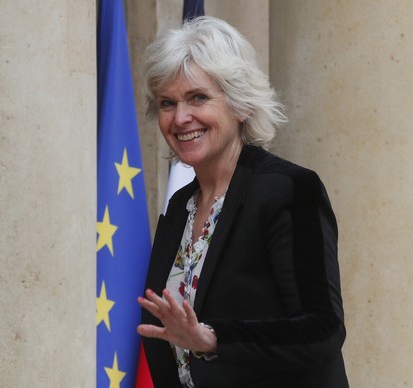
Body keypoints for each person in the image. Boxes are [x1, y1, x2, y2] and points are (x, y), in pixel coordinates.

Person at [137, 16, 349, 387]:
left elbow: (322, 330)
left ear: (239, 104)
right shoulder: (178, 210)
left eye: (198, 97)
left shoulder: (290, 190)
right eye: (167, 103)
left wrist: (213, 338)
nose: (181, 117)